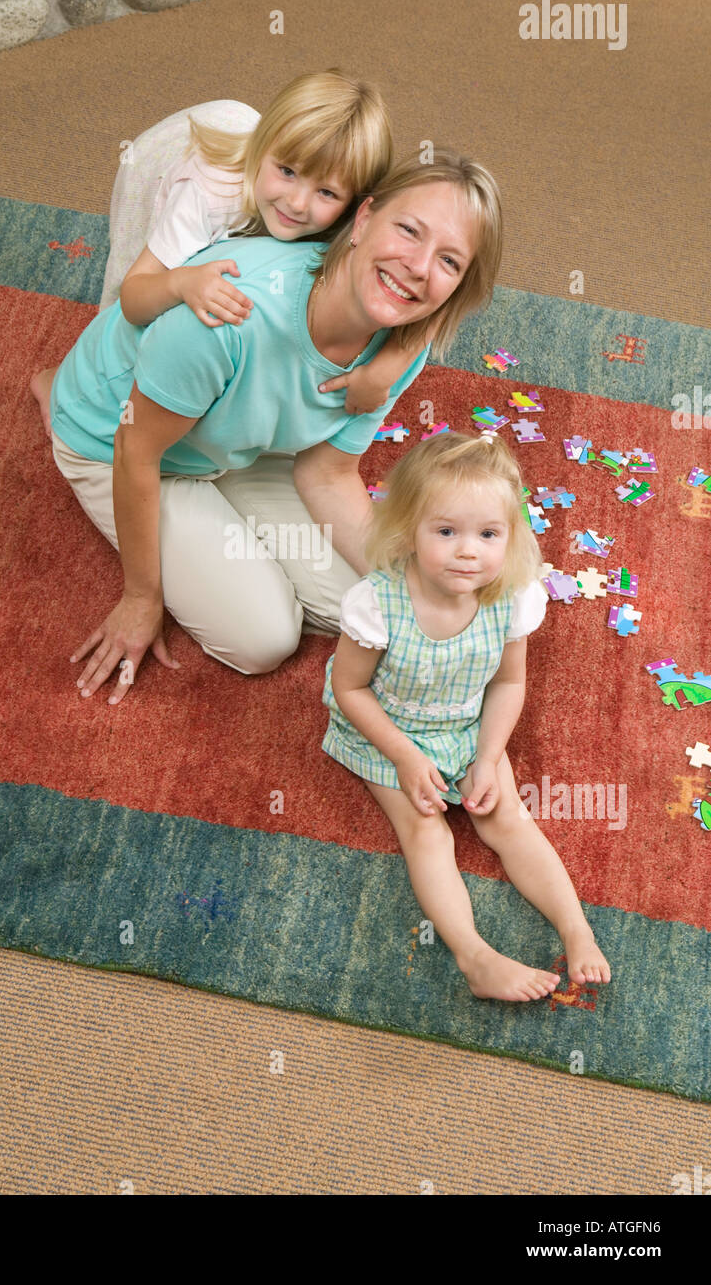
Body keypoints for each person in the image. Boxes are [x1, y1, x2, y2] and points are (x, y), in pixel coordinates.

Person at [36, 149, 502, 704]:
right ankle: (59, 397)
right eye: (408, 230)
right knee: (264, 639)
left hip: (234, 443)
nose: (420, 268)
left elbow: (328, 474)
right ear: (364, 218)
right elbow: (135, 453)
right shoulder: (223, 320)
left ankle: (219, 510)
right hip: (123, 445)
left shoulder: (402, 336)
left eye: (449, 262)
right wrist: (141, 597)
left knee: (379, 597)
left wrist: (421, 593)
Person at [321, 431, 612, 1003]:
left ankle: (576, 929)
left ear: (511, 537)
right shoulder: (378, 603)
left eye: (487, 534)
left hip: (467, 728)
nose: (467, 551)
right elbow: (350, 689)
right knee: (426, 832)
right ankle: (474, 957)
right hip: (387, 731)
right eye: (446, 531)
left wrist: (487, 756)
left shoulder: (511, 597)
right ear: (409, 530)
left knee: (510, 821)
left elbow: (508, 681)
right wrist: (404, 758)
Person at [31, 68, 411, 434]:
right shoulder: (206, 195)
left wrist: (387, 369)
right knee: (127, 324)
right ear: (264, 148)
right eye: (288, 172)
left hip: (247, 137)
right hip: (167, 163)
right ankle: (56, 381)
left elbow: (431, 300)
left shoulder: (350, 220)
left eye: (326, 192)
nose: (296, 203)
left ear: (356, 206)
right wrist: (180, 283)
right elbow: (132, 298)